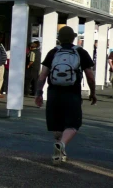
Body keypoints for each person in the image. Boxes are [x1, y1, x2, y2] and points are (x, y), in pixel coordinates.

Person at [34, 26, 96, 165]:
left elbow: (43, 75)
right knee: (73, 123)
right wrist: (92, 92)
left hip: (54, 92)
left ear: (59, 38)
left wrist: (39, 93)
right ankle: (62, 144)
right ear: (73, 38)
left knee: (57, 124)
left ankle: (59, 153)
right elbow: (90, 76)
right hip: (72, 92)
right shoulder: (80, 52)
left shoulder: (53, 52)